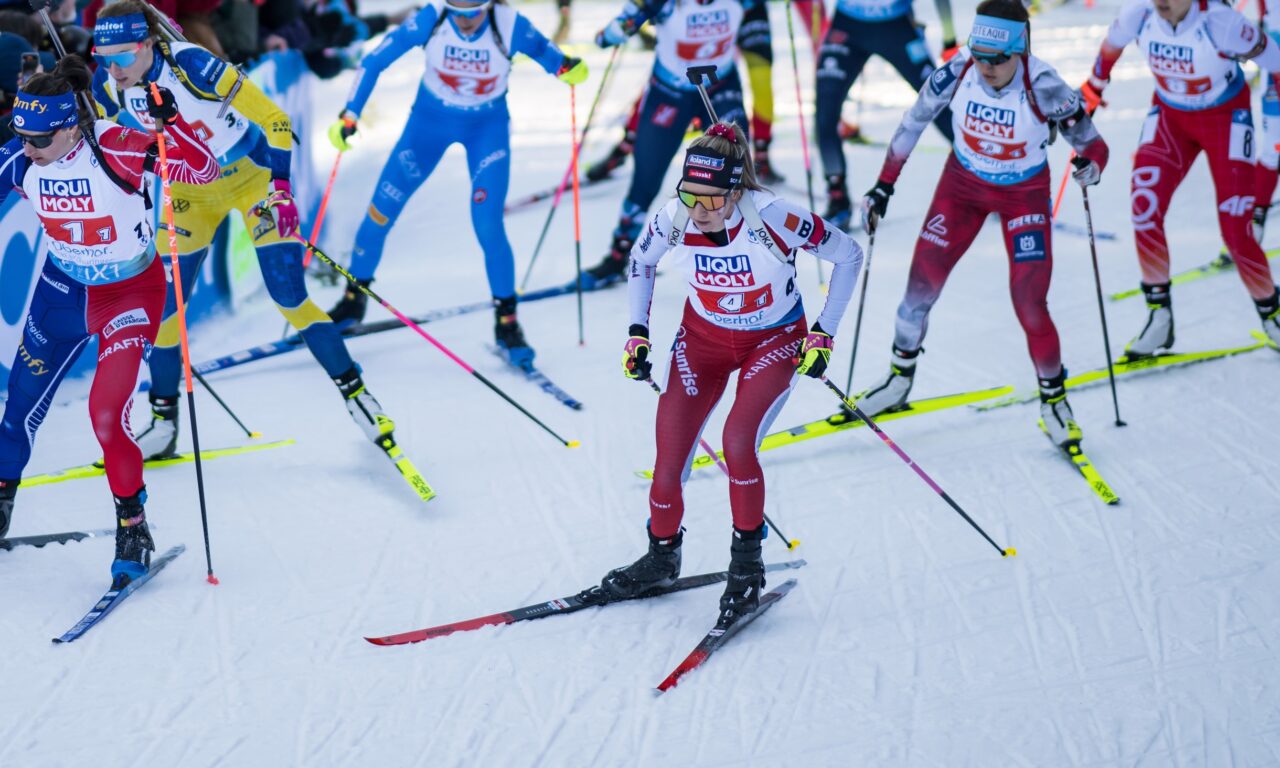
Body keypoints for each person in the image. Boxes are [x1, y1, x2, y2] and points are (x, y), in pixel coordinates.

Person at [90, 1, 400, 460]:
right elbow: (109, 141)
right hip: (189, 194)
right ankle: (163, 421)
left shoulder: (194, 64)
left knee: (289, 298)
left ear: (149, 45)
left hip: (252, 180)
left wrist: (280, 190)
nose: (113, 69)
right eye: (103, 57)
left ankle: (361, 400)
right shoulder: (108, 86)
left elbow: (276, 121)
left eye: (122, 57)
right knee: (162, 313)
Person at [596, 122, 862, 627]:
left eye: (713, 199)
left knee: (738, 441)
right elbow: (640, 263)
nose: (700, 210)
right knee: (669, 449)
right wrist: (637, 332)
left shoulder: (773, 216)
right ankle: (661, 557)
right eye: (690, 196)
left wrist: (824, 332)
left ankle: (745, 569)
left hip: (774, 340)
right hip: (703, 340)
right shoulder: (676, 215)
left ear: (737, 189)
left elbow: (848, 255)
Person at [0, 56, 219, 584]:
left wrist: (174, 125)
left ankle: (133, 525)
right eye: (20, 136)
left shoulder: (117, 146)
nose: (27, 149)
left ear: (71, 126)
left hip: (127, 294)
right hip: (60, 292)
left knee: (104, 413)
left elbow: (202, 171)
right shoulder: (21, 158)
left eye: (39, 139)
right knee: (17, 412)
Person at [852, 0, 1109, 448]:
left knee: (1030, 303)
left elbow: (1094, 145)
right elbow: (912, 123)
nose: (986, 67)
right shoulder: (957, 71)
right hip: (962, 189)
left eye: (997, 59)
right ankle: (898, 379)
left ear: (1020, 50)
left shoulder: (1044, 84)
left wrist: (1091, 166)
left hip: (1023, 195)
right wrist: (883, 187)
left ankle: (1055, 401)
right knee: (919, 287)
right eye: (980, 55)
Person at [325, 0, 587, 367]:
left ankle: (507, 322)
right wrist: (349, 114)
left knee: (488, 224)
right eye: (458, 12)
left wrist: (567, 68)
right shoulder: (432, 17)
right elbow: (374, 60)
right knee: (380, 212)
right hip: (427, 126)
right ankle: (353, 299)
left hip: (487, 130)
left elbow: (550, 56)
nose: (465, 21)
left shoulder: (509, 23)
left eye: (473, 12)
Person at [1083, 0, 1280, 353]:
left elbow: (1275, 60)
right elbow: (1110, 47)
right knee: (1144, 210)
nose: (1162, 2)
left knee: (1236, 229)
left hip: (1225, 119)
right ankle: (1159, 317)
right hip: (1171, 119)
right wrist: (1093, 88)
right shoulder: (1140, 13)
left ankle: (1271, 313)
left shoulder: (1220, 22)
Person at [580, 0, 758, 288]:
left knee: (739, 176)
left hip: (720, 85)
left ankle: (749, 251)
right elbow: (606, 37)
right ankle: (618, 256)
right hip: (670, 92)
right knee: (646, 178)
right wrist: (623, 26)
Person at [586, 0, 781, 185]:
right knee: (677, 76)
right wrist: (628, 21)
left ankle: (761, 154)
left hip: (749, 10)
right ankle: (627, 144)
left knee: (760, 77)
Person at [816, 0, 958, 231]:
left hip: (896, 26)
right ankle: (837, 197)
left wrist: (949, 37)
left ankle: (986, 173)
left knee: (938, 103)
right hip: (847, 26)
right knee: (825, 112)